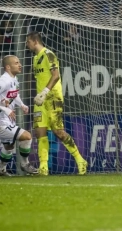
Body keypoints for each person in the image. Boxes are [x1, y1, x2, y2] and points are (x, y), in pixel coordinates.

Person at [26, 31, 88, 175]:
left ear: (35, 41)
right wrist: (37, 95)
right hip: (40, 101)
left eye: (28, 41)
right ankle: (43, 167)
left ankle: (80, 160)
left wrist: (44, 92)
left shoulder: (49, 54)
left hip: (53, 97)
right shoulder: (35, 59)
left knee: (58, 132)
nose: (26, 44)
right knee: (39, 132)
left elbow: (56, 75)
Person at [0, 55, 38, 176]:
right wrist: (5, 110)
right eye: (16, 63)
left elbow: (14, 94)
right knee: (27, 136)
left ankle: (0, 169)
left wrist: (22, 105)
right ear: (8, 67)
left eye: (19, 62)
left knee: (9, 146)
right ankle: (25, 164)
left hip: (7, 120)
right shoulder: (3, 80)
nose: (20, 65)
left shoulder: (14, 79)